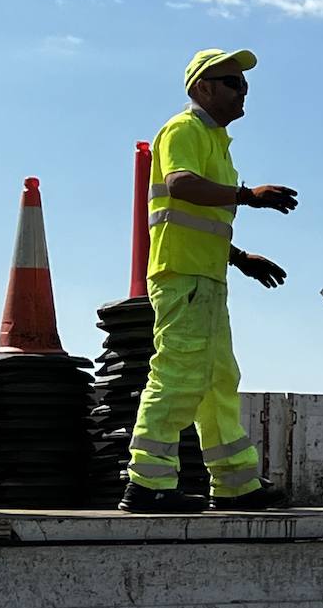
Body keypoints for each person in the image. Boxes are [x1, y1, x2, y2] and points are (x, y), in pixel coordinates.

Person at [120, 48, 298, 513]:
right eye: (234, 83)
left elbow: (196, 216)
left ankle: (236, 485)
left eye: (245, 86)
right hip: (183, 277)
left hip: (205, 277)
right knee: (178, 377)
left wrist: (238, 258)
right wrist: (249, 196)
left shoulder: (216, 141)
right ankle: (147, 484)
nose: (244, 94)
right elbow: (180, 185)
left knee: (218, 380)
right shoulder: (185, 129)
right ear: (203, 87)